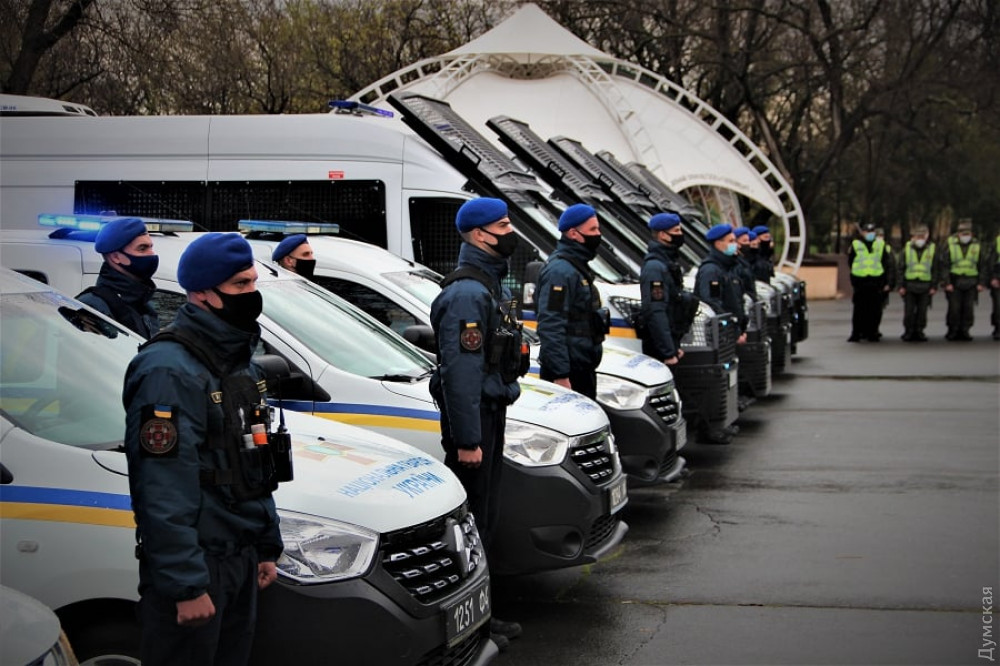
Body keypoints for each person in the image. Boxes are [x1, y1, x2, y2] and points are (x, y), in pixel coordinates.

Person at [123, 233, 285, 666]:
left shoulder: (238, 362)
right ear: (200, 293)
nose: (251, 293)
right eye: (239, 285)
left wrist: (265, 544)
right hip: (199, 565)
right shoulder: (167, 370)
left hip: (240, 558)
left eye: (253, 282)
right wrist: (186, 584)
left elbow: (254, 461)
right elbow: (162, 484)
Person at [428, 197, 526, 651]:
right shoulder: (467, 293)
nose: (510, 232)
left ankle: (484, 617)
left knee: (486, 520)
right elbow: (461, 374)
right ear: (480, 234)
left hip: (490, 414)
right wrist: (468, 440)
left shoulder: (488, 285)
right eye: (502, 225)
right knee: (472, 526)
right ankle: (472, 626)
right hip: (476, 423)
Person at [536, 203, 609, 400]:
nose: (598, 234)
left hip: (582, 367)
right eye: (592, 229)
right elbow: (551, 324)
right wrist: (560, 374)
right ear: (573, 233)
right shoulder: (560, 272)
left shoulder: (576, 267)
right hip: (568, 373)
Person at [76, 217, 160, 338]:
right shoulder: (94, 307)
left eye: (151, 247)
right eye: (142, 248)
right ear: (116, 257)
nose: (151, 254)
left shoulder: (143, 305)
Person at [637, 212, 688, 365]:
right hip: (659, 352)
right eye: (676, 231)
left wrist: (673, 347)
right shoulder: (655, 267)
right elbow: (656, 310)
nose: (680, 234)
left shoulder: (667, 263)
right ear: (662, 235)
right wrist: (668, 351)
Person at [694, 223, 749, 341]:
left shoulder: (727, 267)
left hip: (729, 335)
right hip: (720, 336)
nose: (736, 245)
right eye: (731, 241)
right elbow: (713, 303)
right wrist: (732, 330)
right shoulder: (711, 271)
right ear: (718, 244)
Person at [941, 219, 988, 341]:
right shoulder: (950, 245)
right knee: (954, 308)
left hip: (971, 282)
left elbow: (982, 265)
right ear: (958, 234)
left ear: (971, 234)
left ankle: (965, 330)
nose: (965, 236)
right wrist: (947, 282)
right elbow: (945, 265)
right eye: (963, 233)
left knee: (968, 308)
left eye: (967, 233)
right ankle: (953, 330)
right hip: (954, 281)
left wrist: (981, 283)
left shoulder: (977, 245)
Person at [847, 222, 894, 342]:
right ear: (862, 232)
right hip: (860, 282)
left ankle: (872, 333)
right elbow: (851, 262)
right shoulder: (856, 244)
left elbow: (885, 263)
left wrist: (885, 282)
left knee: (874, 310)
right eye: (867, 232)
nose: (870, 234)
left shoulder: (880, 244)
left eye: (872, 232)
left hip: (875, 282)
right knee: (859, 310)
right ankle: (856, 333)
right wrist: (855, 281)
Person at [896, 224, 941, 342]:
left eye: (922, 236)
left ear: (926, 236)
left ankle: (919, 331)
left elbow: (936, 269)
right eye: (918, 236)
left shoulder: (932, 249)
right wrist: (900, 286)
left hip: (925, 286)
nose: (920, 239)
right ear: (913, 237)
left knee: (922, 311)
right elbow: (900, 268)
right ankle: (908, 331)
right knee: (909, 311)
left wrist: (934, 286)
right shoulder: (906, 249)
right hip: (909, 285)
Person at [733, 226, 759, 300]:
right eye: (744, 241)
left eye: (748, 240)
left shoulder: (745, 261)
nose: (748, 244)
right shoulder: (735, 263)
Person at [991, 232, 1000, 341]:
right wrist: (993, 277)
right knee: (998, 307)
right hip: (999, 279)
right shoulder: (998, 241)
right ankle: (998, 328)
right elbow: (991, 261)